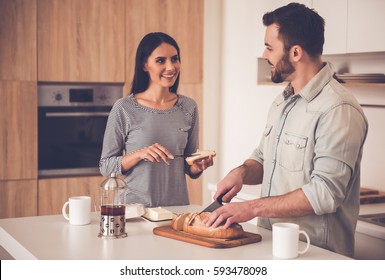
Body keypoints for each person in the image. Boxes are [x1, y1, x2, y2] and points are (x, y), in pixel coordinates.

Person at [205, 3, 368, 258]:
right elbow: (263, 156)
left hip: (315, 257)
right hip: (270, 248)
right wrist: (241, 173)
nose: (264, 54)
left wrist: (252, 208)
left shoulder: (338, 109)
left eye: (270, 47)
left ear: (295, 52)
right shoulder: (283, 101)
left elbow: (325, 193)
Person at [99, 32, 213, 207]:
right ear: (145, 65)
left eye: (175, 59)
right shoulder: (124, 108)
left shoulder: (189, 107)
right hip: (134, 212)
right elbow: (106, 166)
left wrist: (197, 167)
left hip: (176, 211)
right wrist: (139, 154)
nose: (171, 67)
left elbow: (188, 163)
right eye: (161, 61)